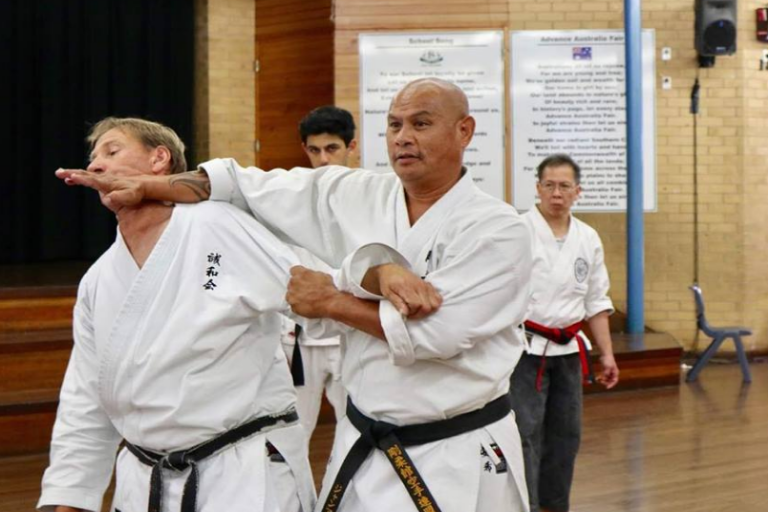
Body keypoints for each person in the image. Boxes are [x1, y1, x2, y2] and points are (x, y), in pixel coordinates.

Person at [56, 78, 533, 512]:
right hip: (363, 443)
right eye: (393, 124)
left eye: (421, 124)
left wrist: (338, 294)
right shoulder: (355, 192)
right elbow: (249, 185)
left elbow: (440, 332)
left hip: (455, 452)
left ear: (465, 131)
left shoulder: (497, 228)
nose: (403, 136)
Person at [40, 117, 316, 512]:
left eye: (111, 151)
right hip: (145, 477)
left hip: (241, 473)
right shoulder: (98, 280)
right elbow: (86, 393)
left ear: (159, 159)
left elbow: (316, 296)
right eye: (93, 158)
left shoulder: (219, 226)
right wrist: (70, 495)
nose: (96, 165)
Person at [509, 154, 620, 512]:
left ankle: (555, 506)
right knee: (525, 433)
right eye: (550, 185)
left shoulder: (588, 237)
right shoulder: (517, 231)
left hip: (569, 352)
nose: (557, 193)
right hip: (524, 351)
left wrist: (607, 355)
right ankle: (525, 505)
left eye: (565, 186)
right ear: (538, 188)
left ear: (578, 191)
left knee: (566, 436)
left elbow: (596, 301)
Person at [279, 106, 356, 442]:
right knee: (293, 433)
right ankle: (294, 498)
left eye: (332, 149)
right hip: (299, 337)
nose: (323, 159)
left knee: (356, 429)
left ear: (351, 148)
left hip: (351, 332)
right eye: (314, 150)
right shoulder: (288, 199)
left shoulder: (374, 199)